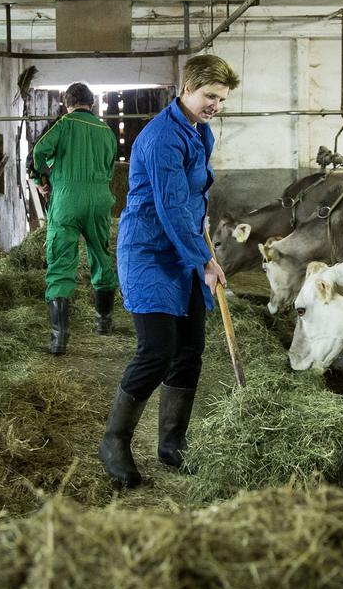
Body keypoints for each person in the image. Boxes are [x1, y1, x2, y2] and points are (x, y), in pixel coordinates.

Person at [99, 54, 239, 487]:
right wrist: (205, 262)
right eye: (210, 96)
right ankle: (114, 442)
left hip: (187, 247)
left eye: (222, 99)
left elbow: (194, 200)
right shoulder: (162, 138)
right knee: (156, 351)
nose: (216, 104)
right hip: (149, 252)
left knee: (190, 349)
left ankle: (171, 443)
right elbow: (171, 206)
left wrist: (203, 252)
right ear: (188, 88)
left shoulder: (201, 132)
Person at [30, 82, 120, 355]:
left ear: (67, 103)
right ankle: (103, 322)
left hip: (67, 199)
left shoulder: (63, 124)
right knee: (101, 255)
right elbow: (110, 165)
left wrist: (41, 179)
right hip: (99, 200)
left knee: (61, 262)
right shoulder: (107, 131)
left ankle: (60, 339)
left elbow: (37, 153)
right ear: (91, 103)